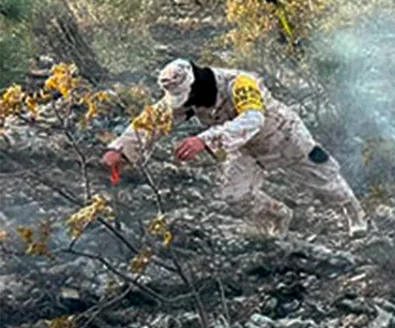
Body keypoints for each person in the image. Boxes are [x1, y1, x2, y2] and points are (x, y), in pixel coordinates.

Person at [101, 59, 368, 237]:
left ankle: (353, 211)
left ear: (198, 81)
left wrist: (205, 140)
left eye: (188, 95)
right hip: (245, 149)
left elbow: (253, 118)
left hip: (283, 136)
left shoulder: (240, 83)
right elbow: (154, 119)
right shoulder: (191, 94)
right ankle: (278, 216)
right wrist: (121, 149)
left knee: (324, 181)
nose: (187, 101)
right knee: (234, 195)